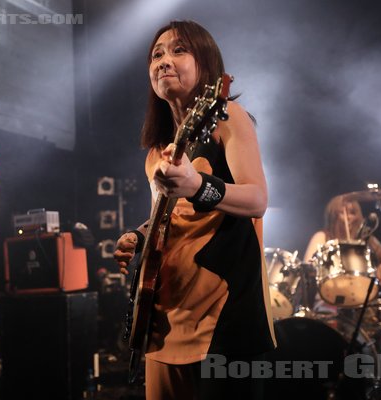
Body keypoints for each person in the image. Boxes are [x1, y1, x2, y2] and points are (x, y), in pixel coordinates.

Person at [114, 20, 275, 400]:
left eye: (178, 50)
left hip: (222, 319)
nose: (164, 61)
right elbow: (170, 217)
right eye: (156, 54)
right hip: (164, 321)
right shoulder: (157, 152)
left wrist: (198, 184)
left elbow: (257, 200)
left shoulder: (228, 119)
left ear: (206, 64)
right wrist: (136, 237)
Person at [303, 195, 381, 312]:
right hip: (330, 299)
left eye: (352, 213)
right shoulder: (323, 236)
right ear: (334, 217)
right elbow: (306, 268)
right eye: (342, 213)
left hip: (363, 300)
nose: (348, 218)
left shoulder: (366, 238)